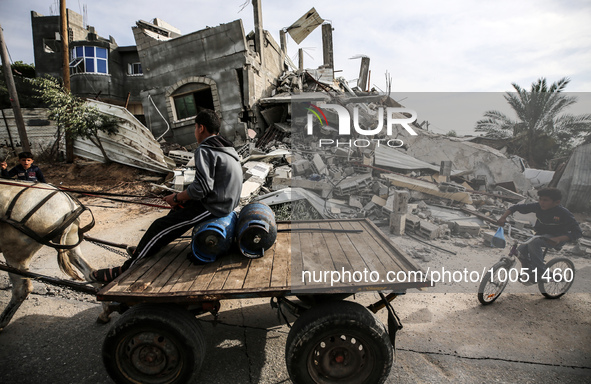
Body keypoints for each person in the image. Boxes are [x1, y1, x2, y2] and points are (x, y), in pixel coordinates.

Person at [91, 109, 243, 283]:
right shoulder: (225, 147)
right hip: (224, 201)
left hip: (215, 206)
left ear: (201, 128)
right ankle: (146, 247)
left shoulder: (205, 149)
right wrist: (180, 199)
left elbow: (202, 188)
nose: (195, 132)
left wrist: (177, 197)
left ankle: (126, 269)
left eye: (195, 128)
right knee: (175, 214)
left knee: (159, 226)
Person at [497, 187, 582, 283]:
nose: (542, 202)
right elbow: (515, 207)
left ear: (557, 202)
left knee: (534, 243)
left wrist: (558, 239)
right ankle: (529, 272)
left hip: (556, 238)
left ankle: (540, 273)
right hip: (540, 235)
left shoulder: (564, 213)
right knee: (520, 249)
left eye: (545, 200)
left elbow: (577, 233)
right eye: (540, 199)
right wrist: (503, 217)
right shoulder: (538, 206)